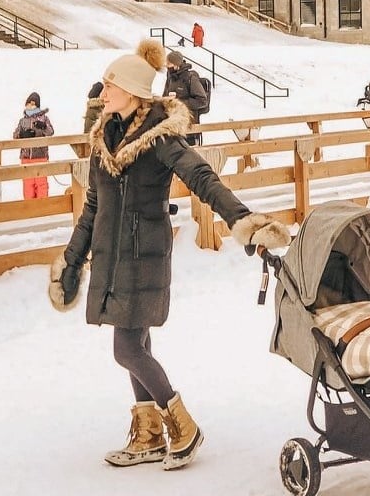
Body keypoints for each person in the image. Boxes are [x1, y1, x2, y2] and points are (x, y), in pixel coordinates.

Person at [48, 39, 290, 471]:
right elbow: (92, 207)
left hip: (144, 255)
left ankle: (183, 426)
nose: (103, 93)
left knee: (125, 347)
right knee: (136, 340)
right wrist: (71, 260)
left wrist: (242, 220)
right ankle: (147, 435)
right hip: (111, 255)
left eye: (110, 86)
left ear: (133, 93)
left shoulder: (160, 139)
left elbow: (201, 177)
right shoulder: (104, 139)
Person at [13, 92, 54, 199]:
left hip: (40, 156)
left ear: (37, 106)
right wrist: (21, 134)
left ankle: (42, 205)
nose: (30, 106)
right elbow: (15, 135)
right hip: (26, 157)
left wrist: (43, 126)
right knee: (28, 184)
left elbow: (50, 132)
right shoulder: (23, 121)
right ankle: (29, 207)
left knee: (41, 183)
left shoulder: (44, 119)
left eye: (33, 104)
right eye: (28, 104)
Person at [163, 50, 207, 146]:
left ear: (176, 64)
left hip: (189, 129)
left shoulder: (191, 78)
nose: (166, 66)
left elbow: (202, 101)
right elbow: (164, 97)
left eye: (169, 63)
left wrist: (179, 102)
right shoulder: (170, 78)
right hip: (173, 127)